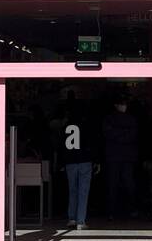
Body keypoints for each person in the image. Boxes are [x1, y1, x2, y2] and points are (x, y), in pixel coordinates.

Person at [56, 92, 96, 231]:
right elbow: (91, 143)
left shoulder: (66, 125)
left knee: (72, 190)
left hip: (70, 161)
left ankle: (71, 218)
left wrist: (61, 162)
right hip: (84, 160)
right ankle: (81, 220)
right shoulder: (87, 124)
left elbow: (61, 145)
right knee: (83, 190)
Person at [102, 95, 139, 221]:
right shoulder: (130, 120)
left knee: (117, 184)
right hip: (125, 156)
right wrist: (125, 135)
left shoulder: (110, 120)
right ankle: (129, 210)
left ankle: (114, 211)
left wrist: (117, 134)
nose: (124, 106)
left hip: (115, 155)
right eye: (122, 104)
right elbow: (131, 135)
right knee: (125, 184)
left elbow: (110, 134)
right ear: (116, 105)